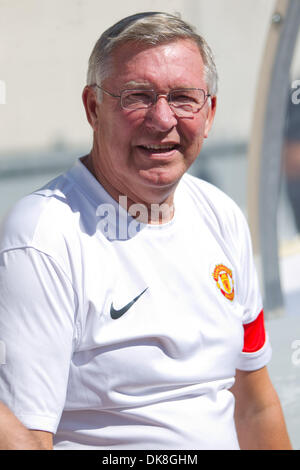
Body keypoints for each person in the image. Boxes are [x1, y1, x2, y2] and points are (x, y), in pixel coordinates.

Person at [0, 12, 292, 450]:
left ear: (209, 113)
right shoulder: (44, 237)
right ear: (93, 109)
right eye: (138, 96)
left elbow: (254, 403)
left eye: (183, 98)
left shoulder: (221, 216)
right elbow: (26, 440)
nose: (162, 119)